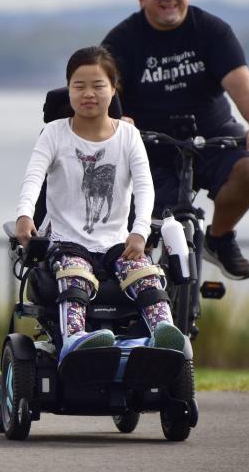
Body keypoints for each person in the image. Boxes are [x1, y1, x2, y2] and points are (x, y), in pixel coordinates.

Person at [102, 0, 249, 280]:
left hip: (210, 135)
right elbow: (107, 94)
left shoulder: (212, 31)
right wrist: (116, 120)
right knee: (146, 221)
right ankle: (138, 290)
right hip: (149, 144)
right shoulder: (122, 41)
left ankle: (220, 239)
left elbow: (242, 83)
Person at [14, 46, 185, 360]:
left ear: (113, 88)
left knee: (145, 275)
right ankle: (76, 340)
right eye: (79, 86)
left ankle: (165, 335)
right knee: (74, 277)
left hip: (118, 242)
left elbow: (145, 188)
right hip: (67, 242)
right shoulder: (54, 133)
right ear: (69, 90)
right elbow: (33, 178)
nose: (88, 94)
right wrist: (24, 215)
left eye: (98, 86)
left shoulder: (129, 136)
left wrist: (141, 231)